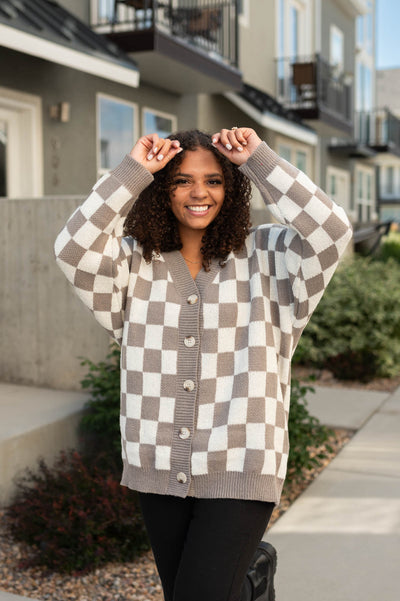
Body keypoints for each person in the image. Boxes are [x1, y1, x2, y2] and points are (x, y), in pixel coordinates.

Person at [54, 127, 352, 601]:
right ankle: (252, 582)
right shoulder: (133, 264)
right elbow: (72, 246)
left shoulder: (272, 258)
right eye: (181, 181)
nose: (199, 193)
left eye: (214, 180)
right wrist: (133, 171)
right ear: (161, 190)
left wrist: (257, 159)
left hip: (243, 458)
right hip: (155, 461)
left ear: (231, 190)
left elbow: (332, 230)